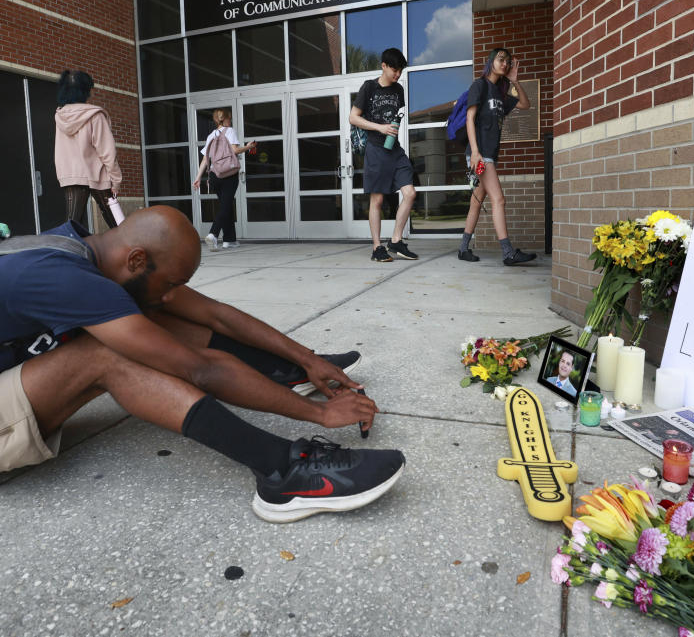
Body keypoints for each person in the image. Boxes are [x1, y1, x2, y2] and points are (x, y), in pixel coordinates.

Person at [0, 207, 404, 522]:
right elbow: (199, 369)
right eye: (174, 282)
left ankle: (284, 373)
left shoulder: (84, 249)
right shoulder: (64, 277)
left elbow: (214, 315)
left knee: (147, 315)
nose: (175, 293)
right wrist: (318, 413)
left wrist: (305, 359)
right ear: (137, 259)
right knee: (111, 354)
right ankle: (285, 474)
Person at [458, 48, 537, 266]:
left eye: (508, 61)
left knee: (477, 202)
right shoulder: (480, 85)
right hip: (480, 156)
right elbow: (470, 118)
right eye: (501, 59)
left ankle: (463, 249)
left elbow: (525, 104)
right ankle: (507, 252)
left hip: (489, 155)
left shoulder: (501, 93)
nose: (505, 64)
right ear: (491, 61)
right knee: (499, 199)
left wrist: (515, 81)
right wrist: (475, 152)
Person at [349, 48, 419, 263]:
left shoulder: (399, 90)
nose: (398, 74)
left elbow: (398, 117)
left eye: (400, 70)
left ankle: (396, 241)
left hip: (395, 150)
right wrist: (379, 128)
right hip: (376, 149)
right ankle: (377, 247)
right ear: (384, 66)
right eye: (394, 69)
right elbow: (353, 117)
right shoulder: (369, 87)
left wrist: (392, 126)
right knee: (377, 200)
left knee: (410, 193)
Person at [54, 70, 123, 230]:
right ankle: (131, 252)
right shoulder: (94, 115)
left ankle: (65, 253)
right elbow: (107, 151)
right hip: (96, 173)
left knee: (72, 223)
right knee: (116, 222)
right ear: (84, 90)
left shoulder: (60, 116)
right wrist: (116, 179)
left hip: (71, 174)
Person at [191, 109, 256, 250]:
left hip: (215, 175)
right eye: (229, 118)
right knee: (225, 206)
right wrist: (249, 147)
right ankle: (213, 234)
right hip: (228, 173)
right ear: (225, 119)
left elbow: (204, 159)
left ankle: (229, 239)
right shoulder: (229, 131)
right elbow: (235, 150)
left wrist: (197, 177)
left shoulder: (211, 136)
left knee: (226, 205)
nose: (230, 121)